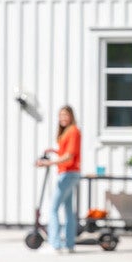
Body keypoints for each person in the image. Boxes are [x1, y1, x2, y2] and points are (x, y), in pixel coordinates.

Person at [35, 105, 81, 254]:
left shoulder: (73, 131)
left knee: (53, 208)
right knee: (68, 211)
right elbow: (66, 152)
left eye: (65, 115)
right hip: (70, 173)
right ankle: (69, 245)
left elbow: (69, 156)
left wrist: (48, 163)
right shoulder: (68, 132)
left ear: (71, 116)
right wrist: (54, 151)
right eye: (61, 115)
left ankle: (55, 244)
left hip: (68, 174)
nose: (63, 118)